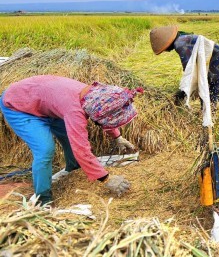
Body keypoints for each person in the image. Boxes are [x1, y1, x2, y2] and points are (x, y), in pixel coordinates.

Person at [0, 75, 141, 205]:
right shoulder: (74, 111)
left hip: (44, 101)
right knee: (45, 150)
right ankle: (43, 199)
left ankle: (73, 170)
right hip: (19, 106)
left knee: (68, 135)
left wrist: (117, 137)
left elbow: (106, 113)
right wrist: (106, 179)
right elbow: (81, 149)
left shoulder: (93, 96)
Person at [150, 25, 219, 110]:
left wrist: (184, 92)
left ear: (166, 43)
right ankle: (212, 118)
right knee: (207, 97)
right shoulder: (182, 38)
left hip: (218, 65)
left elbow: (189, 71)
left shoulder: (180, 44)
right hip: (210, 66)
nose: (165, 51)